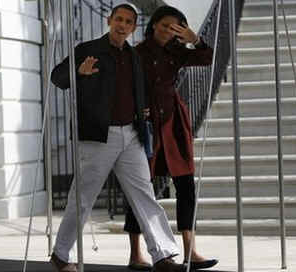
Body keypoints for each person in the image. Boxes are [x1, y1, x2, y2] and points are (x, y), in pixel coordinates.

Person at [49, 4, 186, 272]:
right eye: (118, 19)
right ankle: (61, 255)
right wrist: (79, 73)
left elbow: (135, 90)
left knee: (145, 195)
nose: (122, 25)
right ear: (110, 20)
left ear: (134, 27)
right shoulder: (87, 50)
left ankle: (163, 255)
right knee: (83, 198)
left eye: (128, 22)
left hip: (130, 134)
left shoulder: (134, 55)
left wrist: (141, 109)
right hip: (97, 136)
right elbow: (58, 78)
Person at [124, 5, 218, 271]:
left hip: (174, 122)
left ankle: (191, 250)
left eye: (174, 27)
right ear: (154, 25)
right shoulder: (136, 53)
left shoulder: (177, 52)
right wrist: (135, 109)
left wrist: (195, 39)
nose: (168, 31)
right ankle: (135, 253)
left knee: (186, 184)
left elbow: (208, 57)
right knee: (142, 187)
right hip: (147, 125)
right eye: (164, 25)